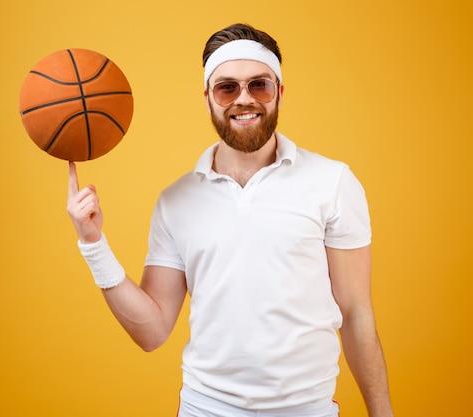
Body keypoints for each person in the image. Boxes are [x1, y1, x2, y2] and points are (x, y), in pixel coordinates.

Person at [67, 23, 394, 417]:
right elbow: (151, 332)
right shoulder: (176, 201)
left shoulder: (333, 182)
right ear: (207, 98)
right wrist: (93, 244)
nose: (244, 99)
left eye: (259, 85)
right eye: (227, 87)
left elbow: (356, 314)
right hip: (205, 410)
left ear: (279, 93)